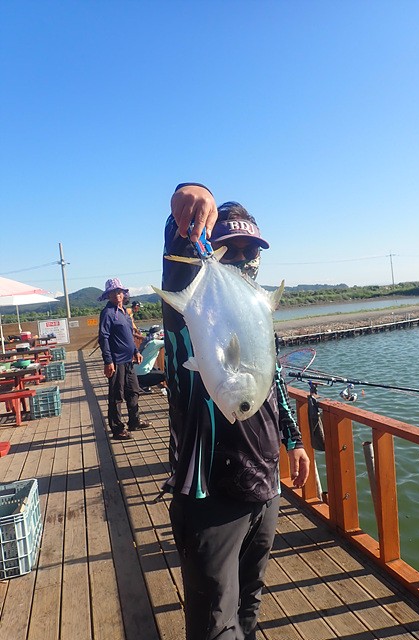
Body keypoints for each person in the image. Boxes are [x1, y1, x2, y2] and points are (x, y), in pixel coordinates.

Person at [162, 183, 310, 640]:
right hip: (209, 494)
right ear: (213, 248)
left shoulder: (256, 311)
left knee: (250, 600)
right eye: (233, 248)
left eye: (252, 250)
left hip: (266, 485)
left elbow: (274, 380)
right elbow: (178, 264)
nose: (244, 259)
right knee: (214, 622)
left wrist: (293, 441)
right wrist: (190, 201)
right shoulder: (192, 313)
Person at [97, 278, 152, 440]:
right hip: (116, 361)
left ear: (123, 294)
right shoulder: (108, 313)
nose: (117, 295)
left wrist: (136, 351)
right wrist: (108, 361)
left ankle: (134, 421)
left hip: (129, 360)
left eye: (119, 292)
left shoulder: (125, 313)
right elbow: (103, 338)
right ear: (108, 296)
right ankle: (117, 429)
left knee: (134, 390)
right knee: (116, 396)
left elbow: (129, 335)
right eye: (113, 293)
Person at [134, 325, 166, 393]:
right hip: (142, 375)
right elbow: (169, 341)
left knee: (156, 369)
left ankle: (143, 385)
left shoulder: (147, 341)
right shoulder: (155, 343)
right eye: (160, 333)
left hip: (136, 372)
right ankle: (142, 385)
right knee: (165, 375)